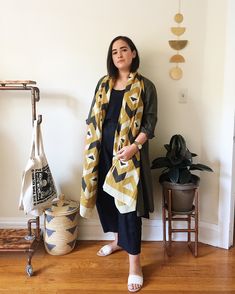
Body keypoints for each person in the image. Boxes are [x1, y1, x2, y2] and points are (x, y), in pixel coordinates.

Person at [80, 36, 158, 293]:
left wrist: (135, 146)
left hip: (128, 154)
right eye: (115, 51)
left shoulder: (146, 86)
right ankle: (117, 241)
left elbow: (150, 122)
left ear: (133, 53)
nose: (119, 54)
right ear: (111, 57)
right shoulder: (103, 84)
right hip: (101, 152)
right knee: (106, 200)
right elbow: (93, 117)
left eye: (124, 49)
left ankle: (135, 264)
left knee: (127, 207)